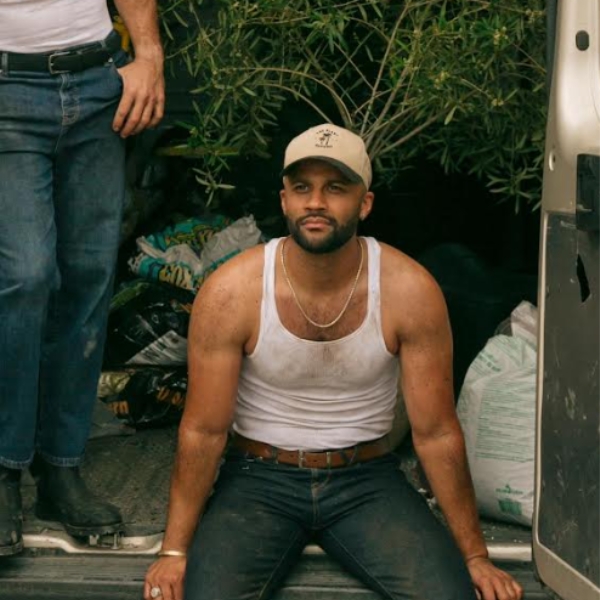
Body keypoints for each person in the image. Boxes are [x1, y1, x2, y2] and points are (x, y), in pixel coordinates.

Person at [143, 124, 524, 600]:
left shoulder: (409, 288)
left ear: (364, 204)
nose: (316, 203)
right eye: (302, 188)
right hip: (259, 480)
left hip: (366, 479)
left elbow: (436, 431)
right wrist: (174, 552)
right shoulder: (232, 290)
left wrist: (475, 556)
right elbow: (203, 430)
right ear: (284, 201)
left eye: (335, 189)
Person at [0, 0, 164, 556]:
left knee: (89, 277)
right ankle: (4, 468)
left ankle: (59, 470)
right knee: (25, 275)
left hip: (98, 82)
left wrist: (149, 53)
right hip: (7, 87)